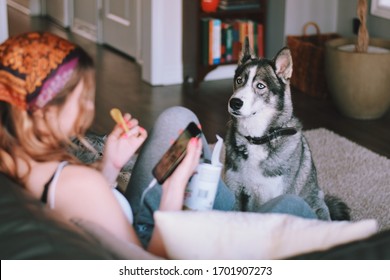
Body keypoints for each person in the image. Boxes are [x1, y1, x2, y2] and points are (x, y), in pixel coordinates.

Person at [0, 32, 317, 258]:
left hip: (125, 219)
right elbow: (155, 265)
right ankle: (232, 216)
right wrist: (175, 187)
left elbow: (82, 200)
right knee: (295, 208)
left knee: (178, 119)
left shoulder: (17, 159)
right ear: (43, 110)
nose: (87, 108)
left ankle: (227, 207)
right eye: (81, 98)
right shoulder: (79, 184)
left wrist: (108, 166)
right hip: (149, 234)